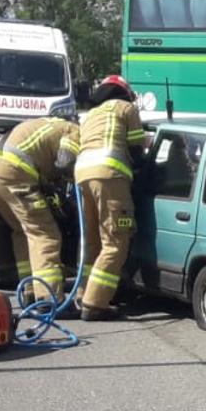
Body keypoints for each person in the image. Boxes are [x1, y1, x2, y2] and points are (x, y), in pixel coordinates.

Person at [0, 114, 81, 296]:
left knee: (22, 231)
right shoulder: (73, 130)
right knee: (45, 235)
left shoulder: (43, 124)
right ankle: (49, 298)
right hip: (14, 172)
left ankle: (30, 291)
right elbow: (65, 161)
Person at [72, 75, 146, 320]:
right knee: (116, 241)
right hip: (110, 177)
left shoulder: (90, 116)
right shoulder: (127, 108)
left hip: (82, 176)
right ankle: (95, 304)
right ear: (124, 93)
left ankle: (82, 294)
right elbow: (137, 149)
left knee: (92, 240)